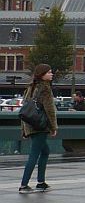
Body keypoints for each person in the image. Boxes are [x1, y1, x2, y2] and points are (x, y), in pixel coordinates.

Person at [18, 64, 58, 192]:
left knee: (45, 151)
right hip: (40, 125)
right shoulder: (45, 88)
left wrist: (24, 130)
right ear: (42, 75)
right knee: (34, 154)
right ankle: (24, 185)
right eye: (49, 72)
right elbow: (50, 110)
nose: (52, 74)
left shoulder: (30, 87)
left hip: (30, 124)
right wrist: (53, 127)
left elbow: (25, 110)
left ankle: (41, 182)